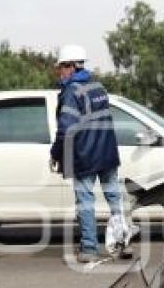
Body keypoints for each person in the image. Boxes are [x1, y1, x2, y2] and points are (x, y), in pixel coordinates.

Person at [50, 44, 135, 263]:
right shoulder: (99, 87)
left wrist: (55, 153)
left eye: (61, 67)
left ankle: (89, 248)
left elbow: (66, 129)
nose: (60, 72)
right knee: (114, 198)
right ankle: (122, 243)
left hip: (85, 154)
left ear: (70, 67)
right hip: (107, 152)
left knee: (85, 201)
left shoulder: (71, 92)